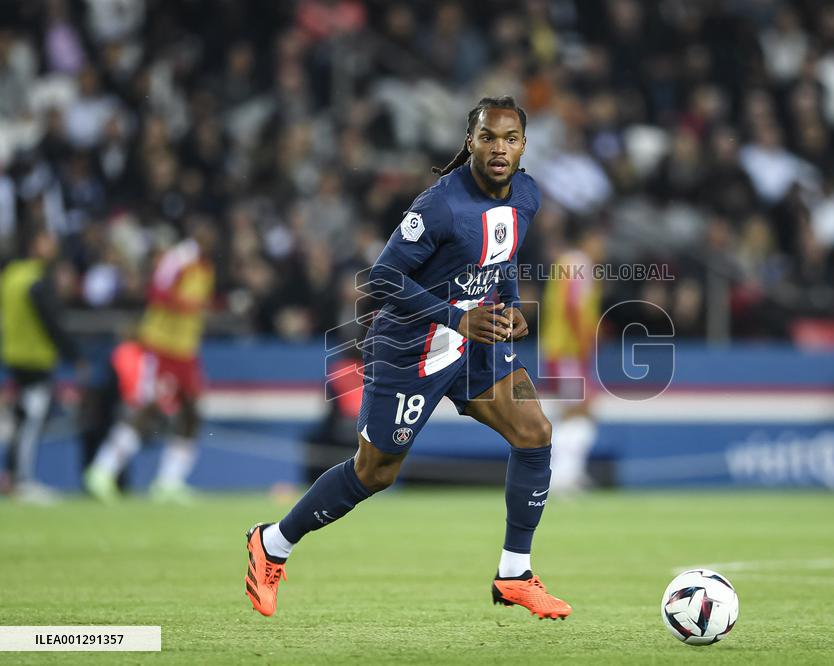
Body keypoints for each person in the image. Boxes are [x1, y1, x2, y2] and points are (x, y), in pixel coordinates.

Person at [244, 96, 572, 620]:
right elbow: (382, 277)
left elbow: (502, 257)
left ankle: (514, 572)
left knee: (534, 431)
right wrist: (455, 316)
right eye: (488, 137)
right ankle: (273, 543)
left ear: (524, 146)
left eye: (510, 139)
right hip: (410, 348)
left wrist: (509, 308)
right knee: (374, 472)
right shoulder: (440, 204)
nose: (499, 148)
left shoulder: (527, 195)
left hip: (474, 341)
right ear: (471, 142)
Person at [84, 222, 216, 503]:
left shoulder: (205, 268)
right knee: (148, 408)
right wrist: (186, 305)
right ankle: (102, 470)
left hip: (185, 349)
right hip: (162, 346)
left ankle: (169, 481)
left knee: (192, 411)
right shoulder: (178, 261)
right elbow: (157, 293)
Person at [0, 226, 81, 503]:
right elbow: (51, 321)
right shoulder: (37, 279)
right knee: (30, 421)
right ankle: (21, 480)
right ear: (35, 244)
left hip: (13, 354)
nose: (52, 247)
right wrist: (73, 353)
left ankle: (12, 477)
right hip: (35, 357)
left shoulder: (10, 275)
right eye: (47, 241)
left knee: (22, 418)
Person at [543, 225, 604, 493]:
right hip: (568, 350)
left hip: (559, 347)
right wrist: (583, 342)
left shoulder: (565, 263)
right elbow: (572, 306)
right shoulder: (579, 264)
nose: (603, 248)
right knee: (580, 409)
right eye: (599, 241)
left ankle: (567, 473)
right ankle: (563, 476)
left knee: (574, 409)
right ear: (588, 239)